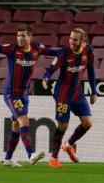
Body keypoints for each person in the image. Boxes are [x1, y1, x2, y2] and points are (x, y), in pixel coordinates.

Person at [0, 14, 53, 167]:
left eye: (22, 36)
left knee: (16, 126)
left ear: (30, 37)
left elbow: (52, 52)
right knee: (24, 120)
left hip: (24, 94)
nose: (19, 38)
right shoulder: (12, 49)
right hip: (12, 94)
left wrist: (66, 52)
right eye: (18, 35)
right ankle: (31, 154)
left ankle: (8, 159)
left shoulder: (36, 47)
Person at [41, 28, 97, 169]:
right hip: (63, 94)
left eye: (75, 39)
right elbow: (51, 68)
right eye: (70, 38)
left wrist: (94, 91)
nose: (71, 41)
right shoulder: (64, 53)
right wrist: (46, 78)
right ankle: (53, 158)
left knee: (88, 123)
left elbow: (90, 70)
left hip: (77, 93)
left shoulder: (88, 51)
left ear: (83, 42)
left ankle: (68, 145)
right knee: (63, 125)